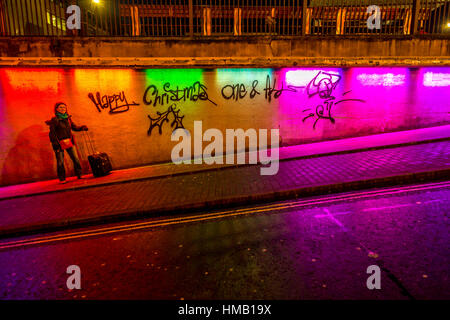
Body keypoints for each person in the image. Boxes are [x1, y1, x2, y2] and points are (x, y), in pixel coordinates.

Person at [45, 102, 88, 184]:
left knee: (75, 158)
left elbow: (74, 127)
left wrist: (82, 127)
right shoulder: (55, 119)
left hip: (69, 142)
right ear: (56, 109)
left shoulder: (68, 118)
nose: (63, 109)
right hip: (59, 143)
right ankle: (62, 178)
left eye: (64, 107)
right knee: (60, 161)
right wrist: (55, 143)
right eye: (61, 107)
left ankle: (79, 174)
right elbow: (52, 133)